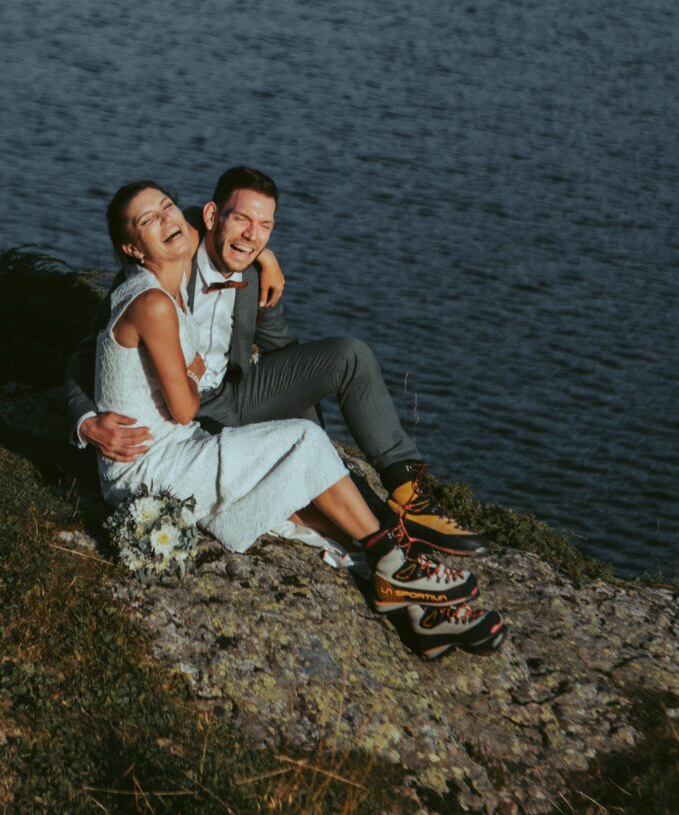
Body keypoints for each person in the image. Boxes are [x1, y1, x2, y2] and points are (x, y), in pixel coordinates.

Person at [90, 180, 506, 658]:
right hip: (163, 450)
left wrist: (261, 253)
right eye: (149, 219)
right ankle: (395, 564)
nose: (166, 220)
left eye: (167, 208)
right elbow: (141, 381)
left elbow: (280, 343)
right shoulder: (150, 294)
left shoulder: (203, 259)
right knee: (305, 453)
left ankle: (418, 614)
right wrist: (88, 421)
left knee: (308, 478)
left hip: (207, 422)